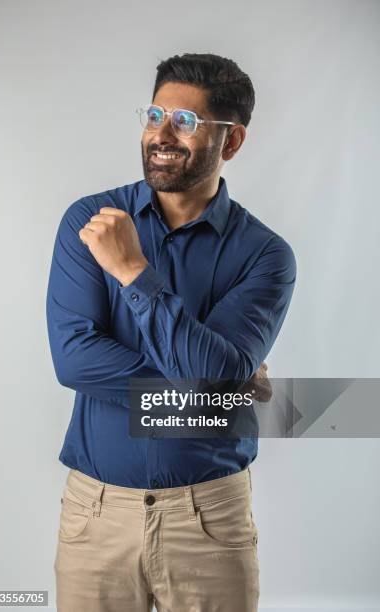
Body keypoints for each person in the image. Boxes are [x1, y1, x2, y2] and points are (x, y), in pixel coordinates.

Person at [46, 52, 296, 612]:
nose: (161, 133)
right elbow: (74, 362)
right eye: (155, 113)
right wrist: (219, 390)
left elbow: (215, 373)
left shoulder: (266, 255)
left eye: (185, 121)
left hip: (209, 519)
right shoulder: (92, 222)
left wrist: (133, 273)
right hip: (97, 516)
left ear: (230, 143)